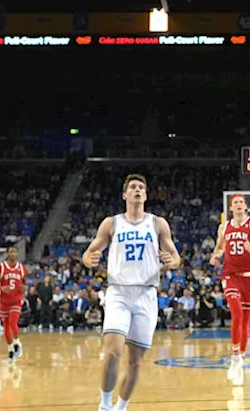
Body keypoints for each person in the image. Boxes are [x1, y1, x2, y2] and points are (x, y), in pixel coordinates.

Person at [83, 174, 180, 411]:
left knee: (135, 362)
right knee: (113, 351)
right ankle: (105, 405)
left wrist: (170, 261)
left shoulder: (158, 223)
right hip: (119, 293)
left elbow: (176, 258)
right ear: (125, 195)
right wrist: (89, 260)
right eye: (133, 187)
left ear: (145, 195)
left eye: (141, 188)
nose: (137, 190)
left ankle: (121, 407)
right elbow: (89, 252)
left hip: (147, 294)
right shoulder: (111, 223)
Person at [211, 194, 250, 383]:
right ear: (231, 208)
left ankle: (241, 360)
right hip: (230, 275)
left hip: (249, 277)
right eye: (235, 203)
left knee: (245, 321)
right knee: (237, 313)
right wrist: (216, 256)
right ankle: (235, 356)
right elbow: (220, 247)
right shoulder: (224, 227)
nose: (238, 205)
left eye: (241, 202)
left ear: (245, 206)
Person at [0, 246, 27, 362]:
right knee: (6, 327)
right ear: (7, 254)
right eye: (11, 251)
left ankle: (17, 343)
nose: (13, 253)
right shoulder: (0, 268)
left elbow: (24, 283)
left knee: (13, 322)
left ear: (17, 254)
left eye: (15, 251)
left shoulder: (22, 268)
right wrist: (1, 288)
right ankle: (10, 349)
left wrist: (24, 288)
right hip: (4, 301)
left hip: (16, 299)